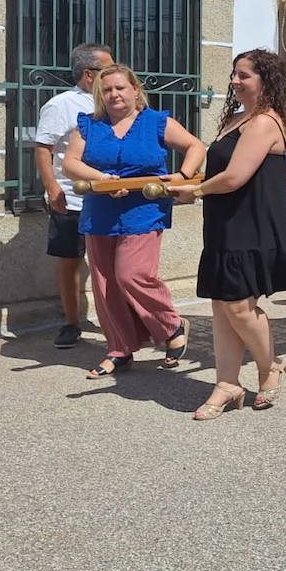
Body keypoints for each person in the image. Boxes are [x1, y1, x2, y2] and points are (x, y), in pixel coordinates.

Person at [168, 49, 286, 419]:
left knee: (238, 306)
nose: (234, 81)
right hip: (224, 220)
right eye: (234, 74)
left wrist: (195, 191)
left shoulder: (265, 122)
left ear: (265, 80)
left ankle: (269, 365)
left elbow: (235, 177)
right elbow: (223, 171)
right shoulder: (236, 118)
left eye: (244, 75)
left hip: (254, 223)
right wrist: (186, 182)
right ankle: (227, 383)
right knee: (221, 306)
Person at [62, 64, 204, 378]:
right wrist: (102, 179)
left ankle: (171, 325)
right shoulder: (88, 125)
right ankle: (119, 349)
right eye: (107, 90)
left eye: (120, 88)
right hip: (100, 212)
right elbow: (71, 163)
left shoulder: (156, 122)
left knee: (132, 274)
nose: (113, 94)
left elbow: (196, 146)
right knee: (106, 286)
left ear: (135, 90)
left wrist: (182, 176)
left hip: (145, 209)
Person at [35, 42, 114, 348]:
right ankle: (71, 322)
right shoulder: (61, 105)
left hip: (107, 195)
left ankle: (119, 321)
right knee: (70, 261)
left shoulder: (113, 102)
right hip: (72, 197)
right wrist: (52, 187)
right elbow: (44, 149)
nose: (114, 74)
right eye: (107, 69)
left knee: (112, 263)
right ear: (89, 74)